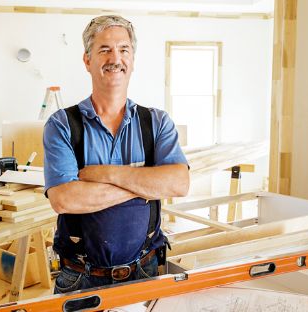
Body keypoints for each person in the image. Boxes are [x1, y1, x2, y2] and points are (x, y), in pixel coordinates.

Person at [43, 15, 190, 293]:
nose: (116, 58)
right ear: (87, 60)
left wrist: (104, 174)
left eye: (124, 49)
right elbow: (64, 199)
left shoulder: (156, 122)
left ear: (132, 60)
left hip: (144, 271)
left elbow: (179, 184)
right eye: (104, 50)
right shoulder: (62, 125)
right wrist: (145, 185)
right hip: (79, 276)